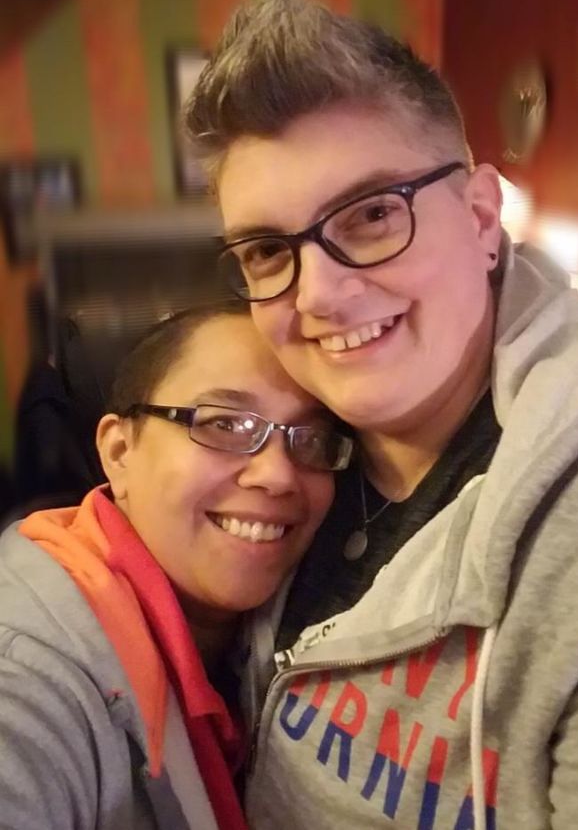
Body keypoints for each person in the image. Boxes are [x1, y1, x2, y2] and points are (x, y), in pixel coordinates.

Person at [184, 0, 578, 830]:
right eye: (268, 250)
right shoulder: (275, 450)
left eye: (371, 215)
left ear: (481, 218)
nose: (320, 295)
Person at [0, 305, 352, 830]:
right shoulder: (32, 668)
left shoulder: (291, 632)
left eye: (312, 439)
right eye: (225, 423)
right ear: (119, 451)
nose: (279, 475)